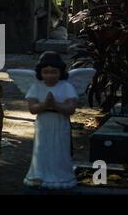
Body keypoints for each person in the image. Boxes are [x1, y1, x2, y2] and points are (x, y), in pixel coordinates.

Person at [24, 51, 78, 190]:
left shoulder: (66, 86)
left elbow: (71, 108)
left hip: (60, 123)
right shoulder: (37, 86)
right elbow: (32, 108)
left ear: (60, 72)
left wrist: (55, 105)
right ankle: (39, 175)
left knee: (60, 149)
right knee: (42, 148)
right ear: (40, 72)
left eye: (54, 72)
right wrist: (44, 105)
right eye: (46, 72)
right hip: (43, 123)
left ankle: (61, 176)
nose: (50, 75)